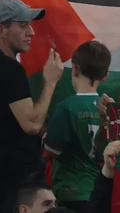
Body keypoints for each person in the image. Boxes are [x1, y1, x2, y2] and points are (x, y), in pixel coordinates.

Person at [0, 0, 64, 213]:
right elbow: (32, 125)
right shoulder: (9, 68)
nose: (31, 32)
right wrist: (50, 82)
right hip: (13, 181)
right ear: (2, 30)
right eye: (23, 25)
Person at [43, 39, 109, 206]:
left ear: (75, 68)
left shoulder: (66, 107)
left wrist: (44, 137)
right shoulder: (109, 110)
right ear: (105, 76)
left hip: (71, 190)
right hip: (99, 190)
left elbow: (51, 151)